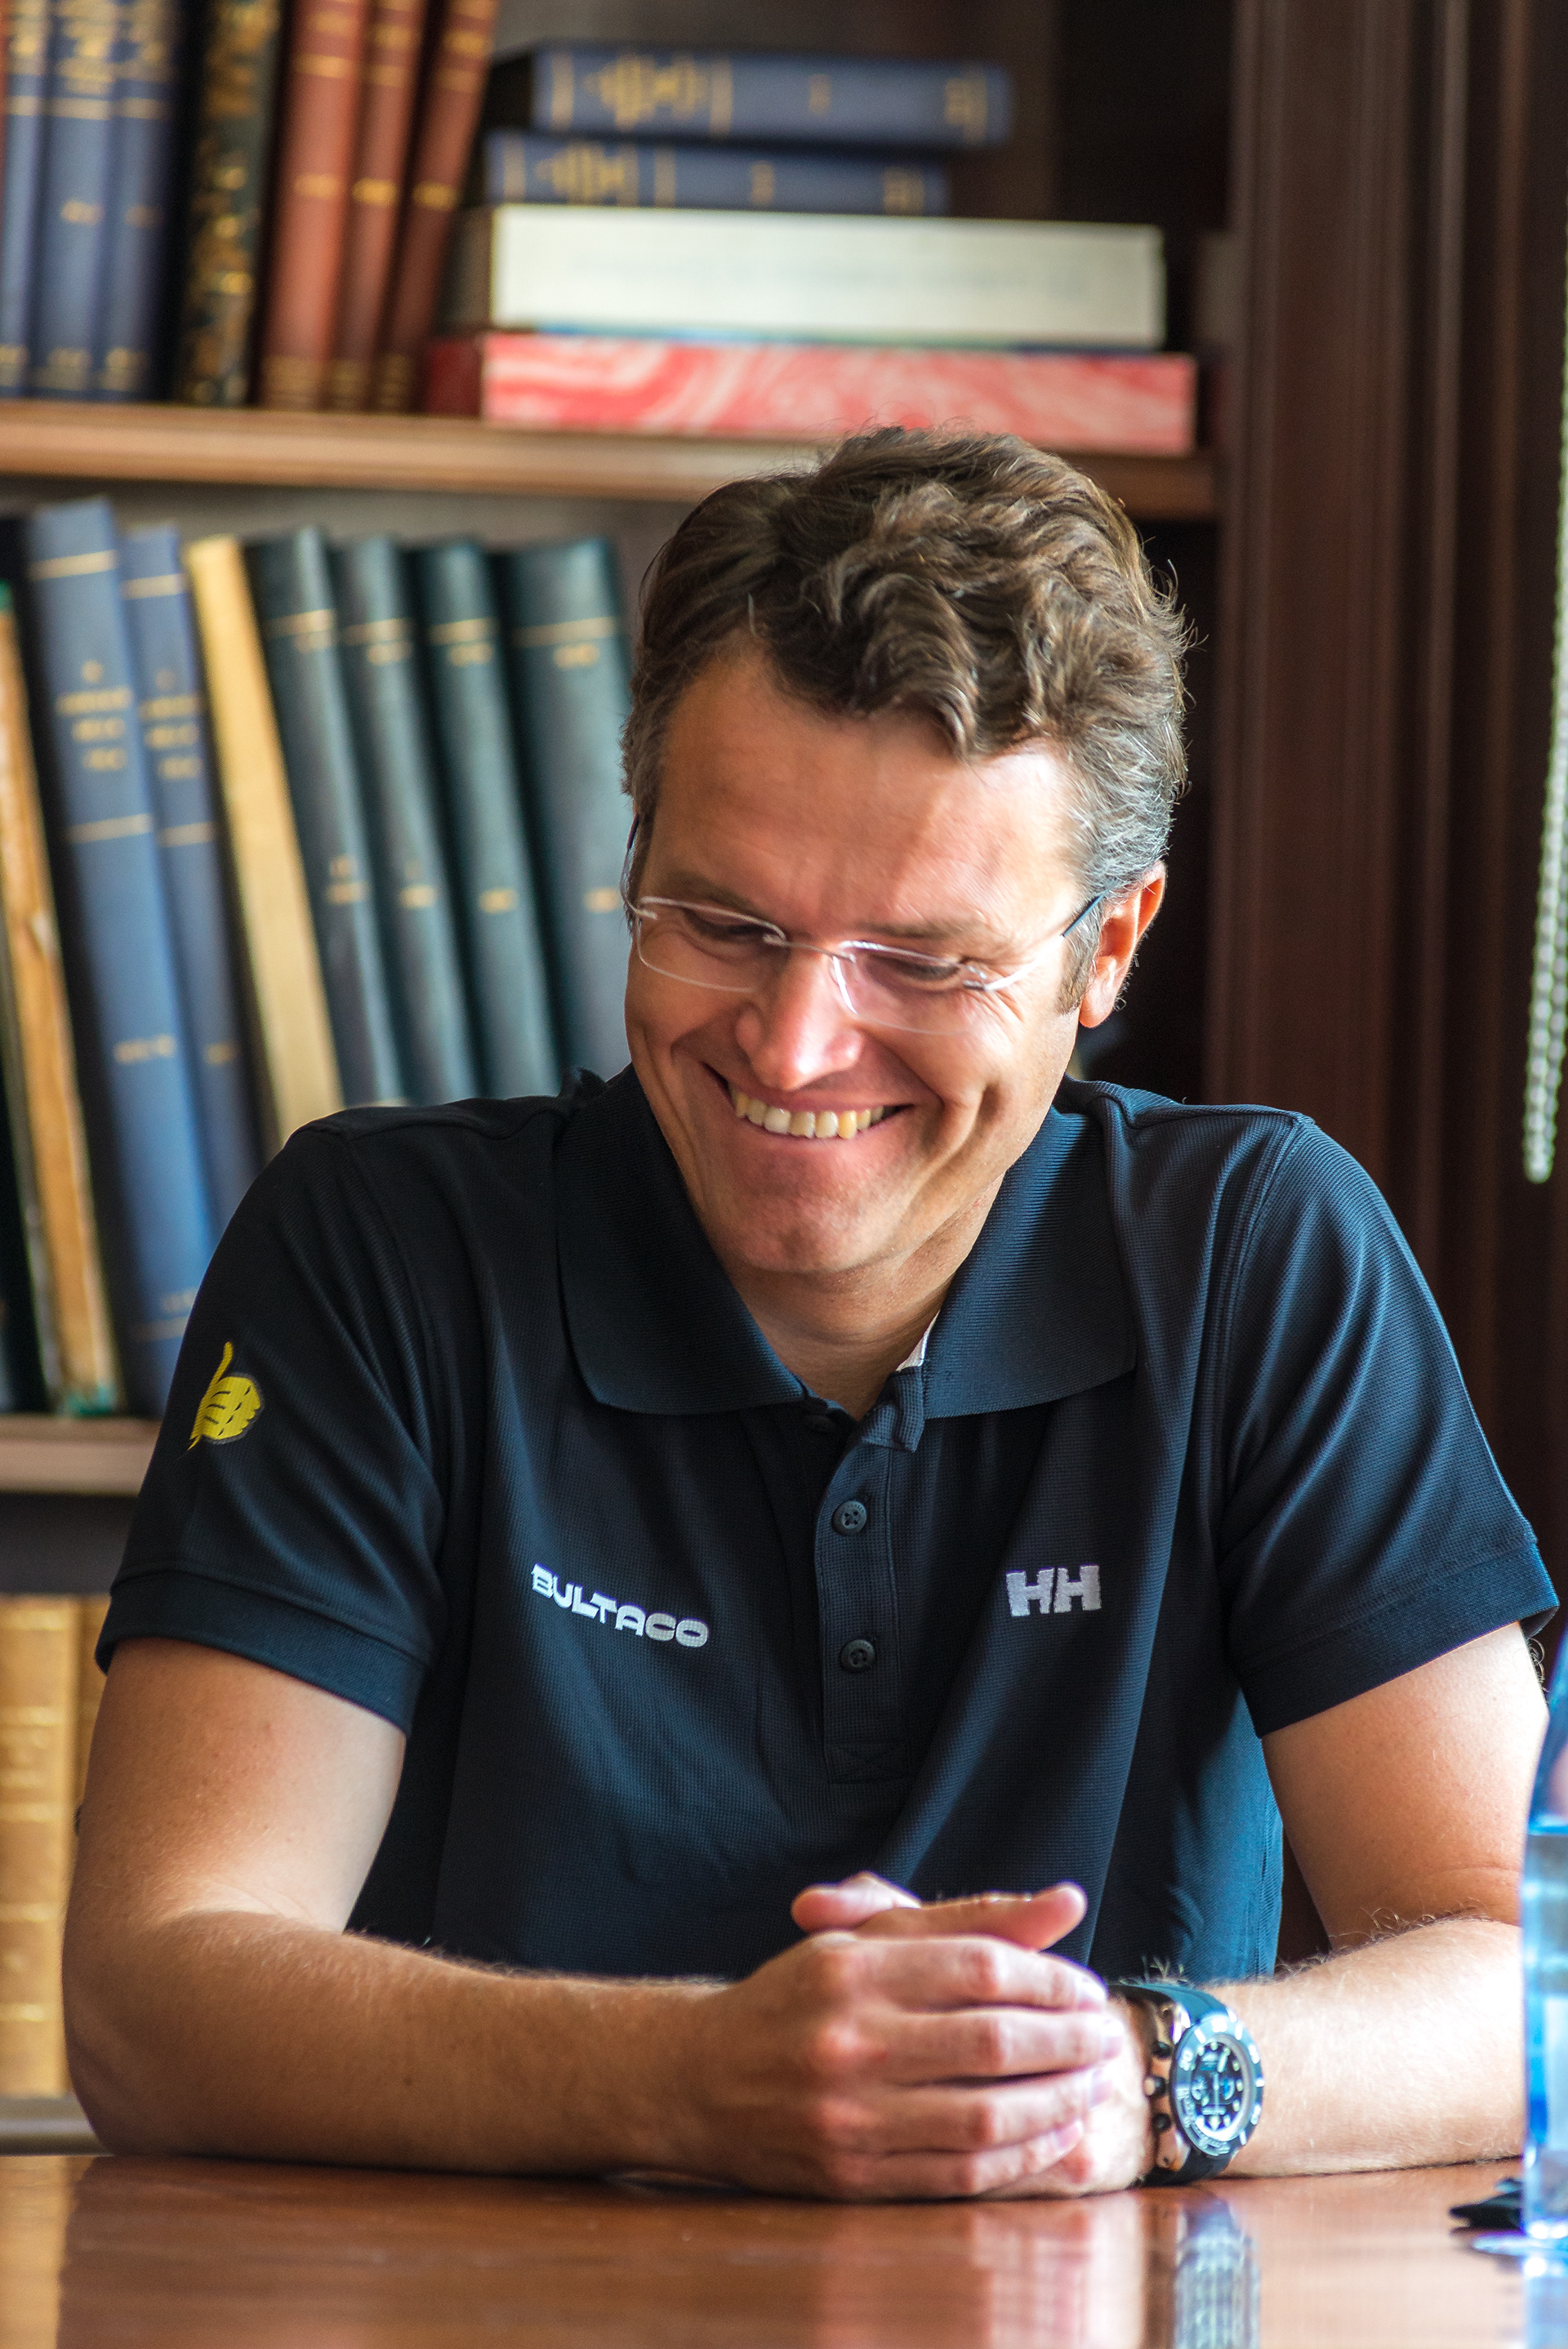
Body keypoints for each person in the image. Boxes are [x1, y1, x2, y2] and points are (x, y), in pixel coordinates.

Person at [65, 431, 1550, 2200]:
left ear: (1108, 950)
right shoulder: (379, 1248)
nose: (794, 1044)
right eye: (724, 922)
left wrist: (1138, 2077)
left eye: (923, 961)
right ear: (635, 852)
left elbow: (1522, 1975)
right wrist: (698, 2080)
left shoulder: (1256, 1252)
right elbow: (155, 1992)